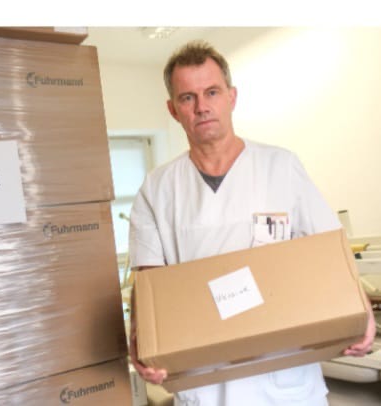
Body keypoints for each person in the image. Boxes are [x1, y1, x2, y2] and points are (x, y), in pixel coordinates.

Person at [128, 40, 376, 406]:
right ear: (173, 109)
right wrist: (142, 341)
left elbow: (331, 249)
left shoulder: (281, 167)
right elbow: (149, 287)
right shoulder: (157, 189)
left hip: (283, 380)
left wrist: (363, 313)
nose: (202, 106)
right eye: (187, 97)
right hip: (206, 383)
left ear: (232, 97)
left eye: (212, 92)